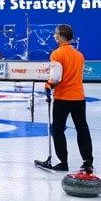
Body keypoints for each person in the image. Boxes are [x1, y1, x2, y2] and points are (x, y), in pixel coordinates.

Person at [36, 24, 94, 174]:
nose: (54, 37)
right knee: (82, 129)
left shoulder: (57, 54)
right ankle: (87, 162)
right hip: (78, 97)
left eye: (55, 34)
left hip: (63, 97)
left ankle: (63, 162)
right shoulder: (79, 55)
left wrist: (48, 86)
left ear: (61, 36)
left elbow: (56, 76)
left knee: (58, 129)